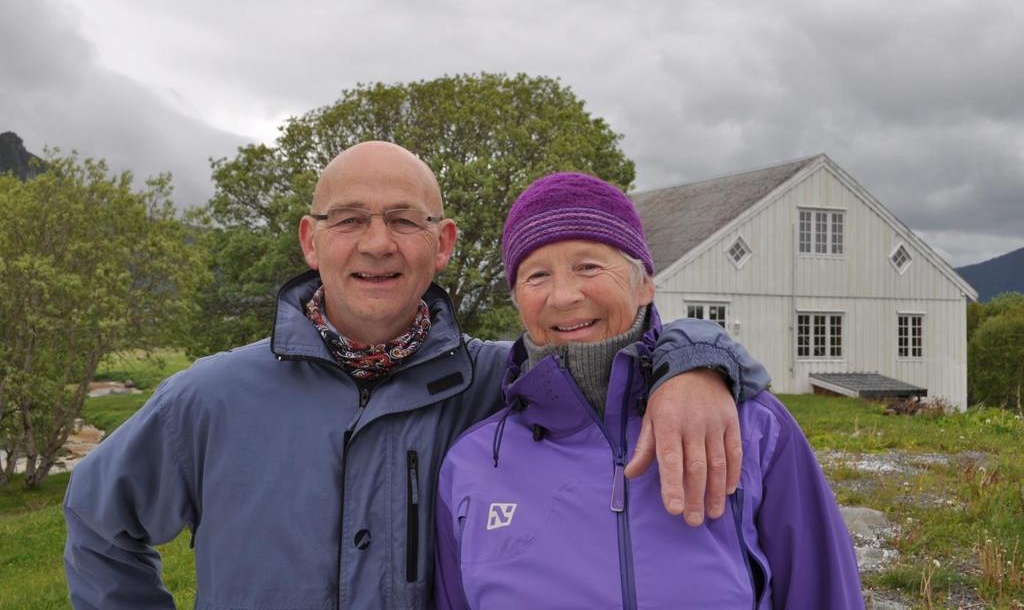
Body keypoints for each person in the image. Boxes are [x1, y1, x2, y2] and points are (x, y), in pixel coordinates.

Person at [63, 142, 771, 609]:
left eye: (404, 220)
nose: (377, 243)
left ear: (443, 243)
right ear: (312, 241)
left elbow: (614, 342)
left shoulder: (501, 381)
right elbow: (99, 525)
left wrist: (694, 362)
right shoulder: (210, 398)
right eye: (349, 220)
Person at [435, 172, 863, 609]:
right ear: (518, 300)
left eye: (588, 266)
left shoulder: (751, 426)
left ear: (645, 284)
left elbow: (826, 594)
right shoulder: (471, 462)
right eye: (537, 275)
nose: (563, 296)